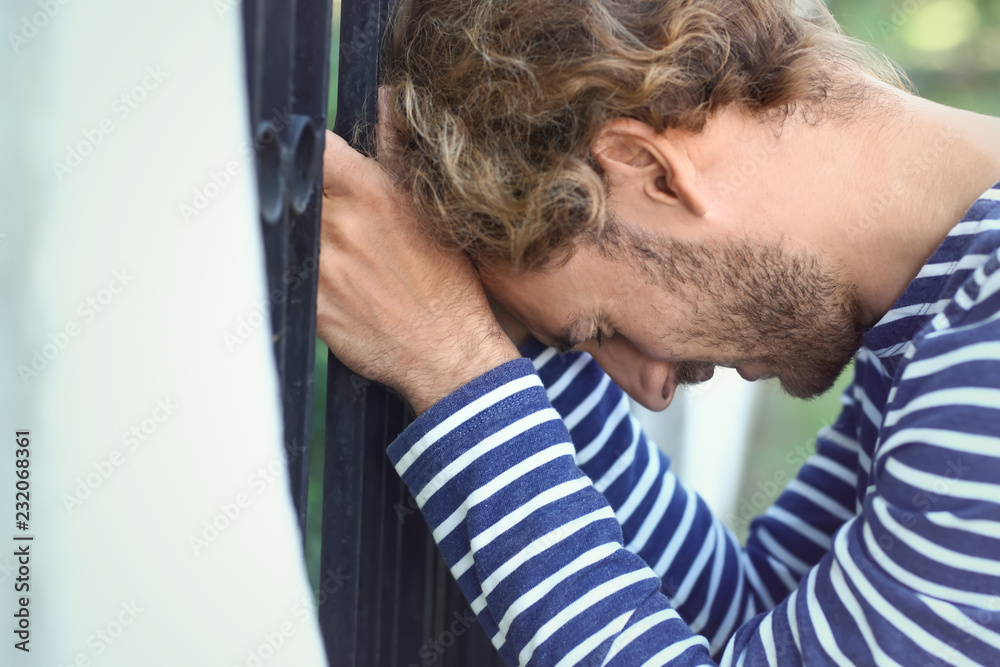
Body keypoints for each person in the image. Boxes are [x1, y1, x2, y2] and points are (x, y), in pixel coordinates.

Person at [316, 0, 1000, 663]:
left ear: (651, 169)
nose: (649, 391)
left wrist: (455, 365)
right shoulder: (942, 319)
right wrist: (494, 341)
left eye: (600, 328)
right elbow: (754, 616)